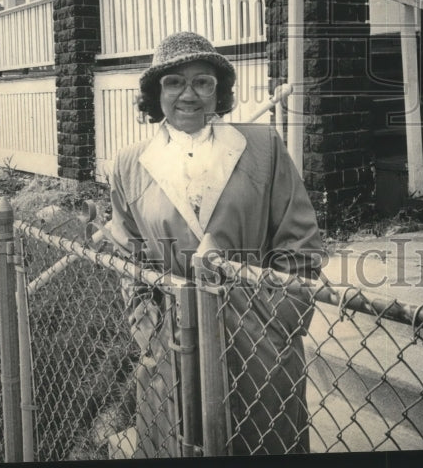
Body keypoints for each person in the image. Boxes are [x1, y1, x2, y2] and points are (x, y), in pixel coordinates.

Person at [99, 31, 325, 457]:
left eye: (203, 81)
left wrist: (277, 323)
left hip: (257, 339)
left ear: (218, 91)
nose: (190, 94)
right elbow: (129, 257)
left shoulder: (262, 147)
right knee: (179, 440)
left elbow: (301, 244)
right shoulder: (130, 163)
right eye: (174, 82)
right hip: (174, 342)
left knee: (261, 440)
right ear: (155, 93)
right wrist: (149, 330)